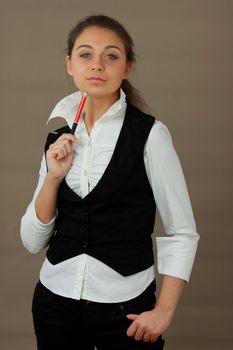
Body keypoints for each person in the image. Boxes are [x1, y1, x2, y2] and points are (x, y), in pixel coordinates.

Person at [20, 14, 199, 350]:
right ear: (70, 64)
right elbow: (32, 241)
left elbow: (182, 231)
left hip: (126, 308)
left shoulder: (150, 135)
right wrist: (52, 179)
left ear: (126, 67)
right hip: (53, 303)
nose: (97, 65)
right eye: (85, 54)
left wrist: (164, 310)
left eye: (111, 56)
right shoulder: (57, 139)